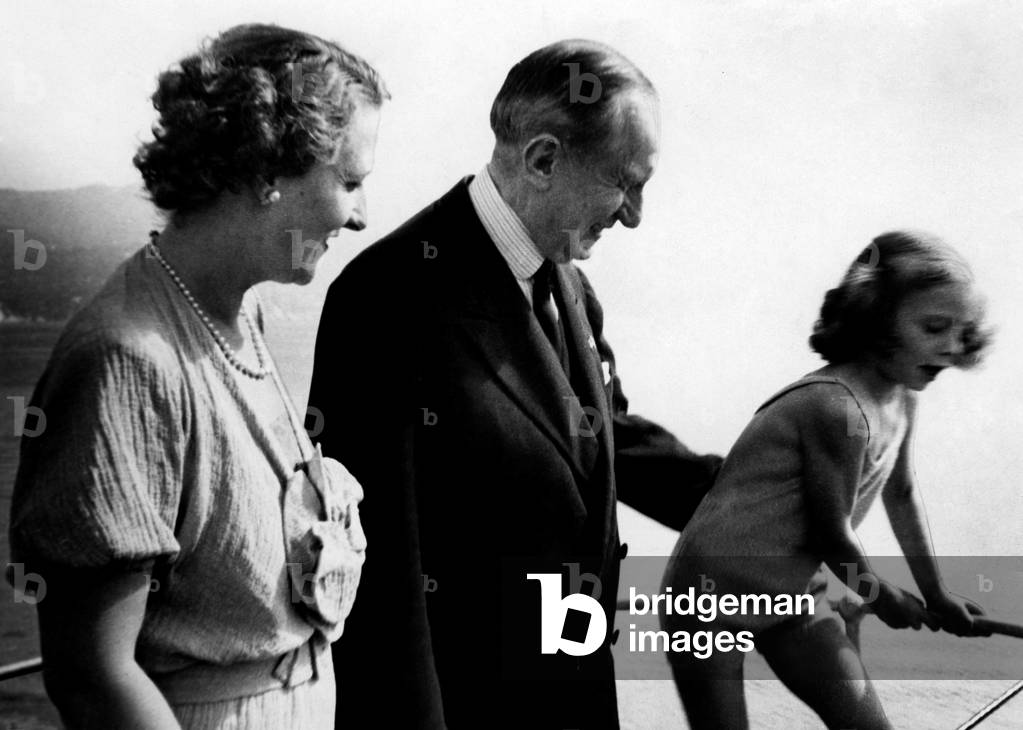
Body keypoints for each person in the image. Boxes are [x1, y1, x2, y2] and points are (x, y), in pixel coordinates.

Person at [307, 39, 722, 729]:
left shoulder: (571, 290)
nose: (635, 214)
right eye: (625, 182)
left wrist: (763, 494)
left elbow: (600, 443)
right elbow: (382, 577)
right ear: (542, 159)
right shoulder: (389, 296)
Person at [8, 24, 387, 729]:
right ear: (267, 171)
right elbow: (94, 676)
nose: (361, 215)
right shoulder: (128, 357)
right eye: (350, 181)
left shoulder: (241, 317)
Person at [660, 231, 993, 729]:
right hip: (709, 595)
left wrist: (937, 593)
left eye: (961, 332)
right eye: (934, 326)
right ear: (876, 320)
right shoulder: (836, 407)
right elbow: (831, 535)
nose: (950, 346)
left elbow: (901, 495)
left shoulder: (902, 399)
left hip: (794, 592)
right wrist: (880, 595)